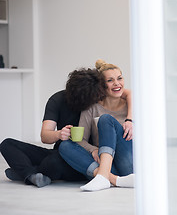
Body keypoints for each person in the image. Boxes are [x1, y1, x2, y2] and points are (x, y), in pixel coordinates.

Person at [0, 68, 133, 188]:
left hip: (86, 158)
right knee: (7, 144)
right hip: (67, 151)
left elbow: (122, 91)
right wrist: (59, 134)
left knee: (54, 163)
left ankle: (26, 172)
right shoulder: (57, 100)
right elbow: (45, 136)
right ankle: (30, 174)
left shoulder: (95, 97)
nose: (90, 101)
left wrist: (129, 119)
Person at [59, 59, 134, 192]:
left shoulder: (132, 105)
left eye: (119, 78)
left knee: (106, 119)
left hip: (129, 163)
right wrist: (93, 149)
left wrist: (131, 121)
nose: (117, 83)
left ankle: (103, 176)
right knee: (65, 145)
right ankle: (113, 179)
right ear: (101, 86)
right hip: (109, 166)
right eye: (110, 80)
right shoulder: (92, 108)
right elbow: (80, 139)